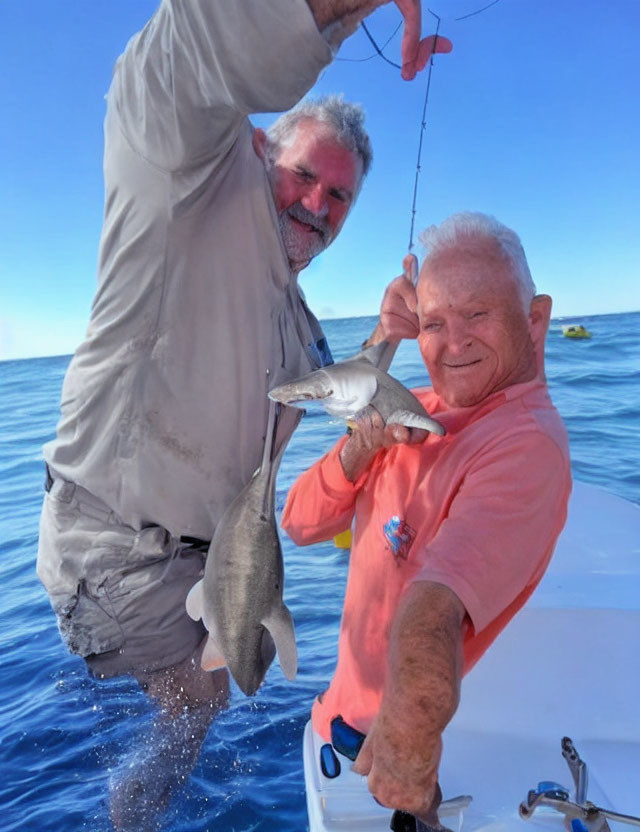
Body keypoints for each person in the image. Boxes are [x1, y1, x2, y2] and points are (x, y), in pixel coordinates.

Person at [35, 0, 451, 827]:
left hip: (213, 557)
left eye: (339, 196)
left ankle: (135, 804)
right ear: (260, 149)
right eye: (305, 174)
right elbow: (191, 45)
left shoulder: (293, 320)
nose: (318, 204)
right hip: (115, 554)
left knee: (231, 689)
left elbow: (342, 386)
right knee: (208, 695)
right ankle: (129, 811)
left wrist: (389, 336)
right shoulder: (181, 181)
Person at [282, 211, 572, 824]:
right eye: (434, 322)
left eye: (478, 314)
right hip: (335, 719)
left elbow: (434, 607)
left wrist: (410, 737)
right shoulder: (412, 410)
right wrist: (361, 448)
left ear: (536, 320)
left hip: (383, 747)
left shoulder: (524, 447)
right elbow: (298, 523)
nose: (454, 341)